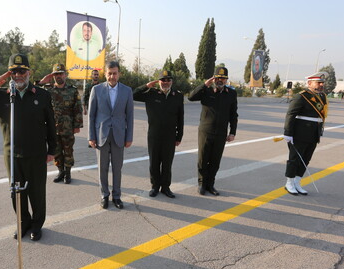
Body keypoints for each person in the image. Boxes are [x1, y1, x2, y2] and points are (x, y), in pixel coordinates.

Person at [0, 53, 56, 241]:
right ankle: (23, 223)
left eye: (22, 71)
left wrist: (52, 151)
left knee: (37, 192)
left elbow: (51, 124)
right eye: (13, 72)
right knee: (16, 192)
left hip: (36, 154)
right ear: (9, 74)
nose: (18, 75)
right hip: (12, 154)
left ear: (29, 72)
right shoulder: (1, 97)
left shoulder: (41, 95)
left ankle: (36, 225)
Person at [88, 61, 134, 209]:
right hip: (101, 134)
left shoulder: (127, 91)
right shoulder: (96, 90)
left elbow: (130, 116)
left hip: (119, 135)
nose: (112, 76)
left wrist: (129, 137)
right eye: (109, 73)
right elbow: (91, 116)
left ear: (119, 74)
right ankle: (104, 195)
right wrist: (91, 136)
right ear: (105, 74)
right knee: (102, 168)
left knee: (117, 168)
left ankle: (117, 196)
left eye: (115, 73)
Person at [133, 70, 184, 198]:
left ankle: (166, 187)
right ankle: (155, 186)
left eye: (168, 80)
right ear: (158, 81)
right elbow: (133, 94)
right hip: (154, 135)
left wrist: (179, 136)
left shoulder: (177, 95)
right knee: (154, 162)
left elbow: (180, 117)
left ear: (171, 81)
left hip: (170, 136)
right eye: (163, 80)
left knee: (167, 163)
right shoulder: (151, 94)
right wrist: (146, 86)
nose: (165, 83)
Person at [188, 66, 238, 196]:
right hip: (205, 131)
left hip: (221, 133)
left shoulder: (231, 94)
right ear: (214, 78)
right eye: (218, 78)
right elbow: (191, 97)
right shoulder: (206, 91)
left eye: (223, 78)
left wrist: (232, 132)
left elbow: (233, 114)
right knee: (203, 159)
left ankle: (211, 185)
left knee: (215, 160)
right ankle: (201, 184)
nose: (220, 80)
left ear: (226, 80)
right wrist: (204, 85)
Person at [282, 72, 328, 195]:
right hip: (300, 132)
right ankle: (289, 183)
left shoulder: (322, 96)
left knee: (306, 159)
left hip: (314, 132)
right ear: (309, 83)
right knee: (295, 159)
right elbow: (291, 114)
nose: (321, 85)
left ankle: (297, 182)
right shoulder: (301, 96)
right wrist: (287, 132)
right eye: (318, 83)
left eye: (322, 83)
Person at [37, 64, 83, 184]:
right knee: (56, 151)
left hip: (68, 127)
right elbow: (33, 91)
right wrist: (42, 81)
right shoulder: (47, 90)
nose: (58, 76)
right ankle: (60, 171)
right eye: (56, 74)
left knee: (68, 151)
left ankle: (68, 173)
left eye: (61, 73)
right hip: (52, 127)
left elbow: (77, 108)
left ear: (65, 75)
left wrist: (77, 125)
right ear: (53, 76)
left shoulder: (72, 90)